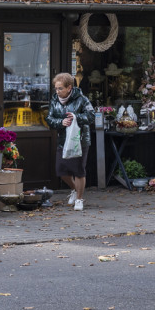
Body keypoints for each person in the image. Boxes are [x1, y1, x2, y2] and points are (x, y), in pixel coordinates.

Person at [46, 72, 95, 211]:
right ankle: (74, 189)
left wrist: (76, 117)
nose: (57, 91)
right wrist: (61, 122)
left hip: (79, 140)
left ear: (69, 88)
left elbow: (91, 115)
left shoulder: (81, 99)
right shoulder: (55, 99)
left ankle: (79, 199)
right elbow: (49, 119)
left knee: (79, 170)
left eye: (60, 88)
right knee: (61, 171)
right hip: (63, 140)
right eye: (56, 88)